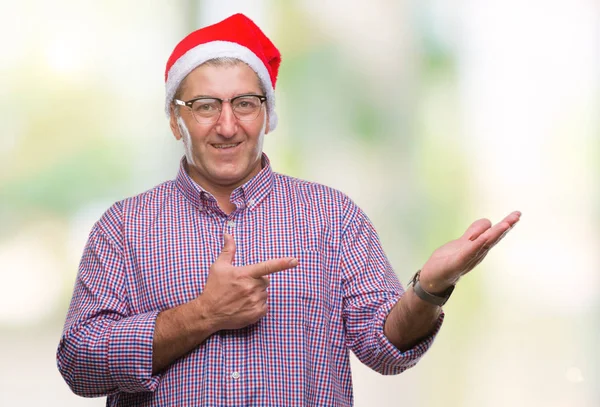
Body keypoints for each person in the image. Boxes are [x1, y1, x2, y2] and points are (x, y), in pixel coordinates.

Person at [57, 13, 520, 406]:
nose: (227, 124)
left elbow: (385, 348)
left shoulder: (332, 216)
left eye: (244, 103)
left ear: (268, 115)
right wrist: (205, 313)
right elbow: (79, 363)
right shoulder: (123, 226)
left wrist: (431, 289)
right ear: (176, 120)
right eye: (204, 106)